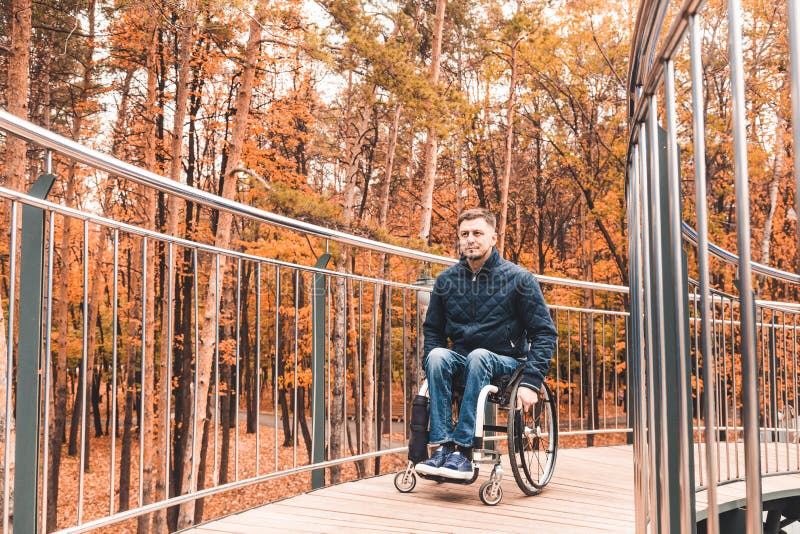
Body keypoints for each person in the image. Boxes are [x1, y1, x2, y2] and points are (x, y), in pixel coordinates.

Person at [415, 208, 558, 480]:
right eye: (464, 234)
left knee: (479, 355)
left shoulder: (520, 279)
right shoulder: (446, 281)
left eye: (477, 233)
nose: (470, 239)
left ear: (493, 237)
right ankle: (443, 447)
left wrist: (530, 381)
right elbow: (432, 330)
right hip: (464, 360)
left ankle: (463, 450)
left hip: (507, 362)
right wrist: (430, 363)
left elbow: (544, 333)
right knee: (436, 356)